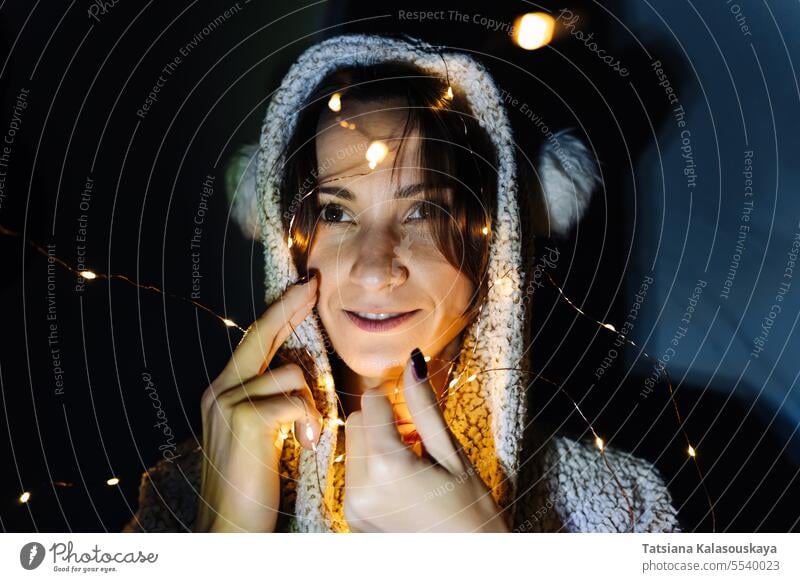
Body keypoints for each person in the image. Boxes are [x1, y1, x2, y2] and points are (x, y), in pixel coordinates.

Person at [123, 33, 681, 533]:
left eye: (422, 212)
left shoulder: (621, 511)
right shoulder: (179, 498)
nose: (373, 267)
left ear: (499, 237)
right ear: (286, 239)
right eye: (336, 214)